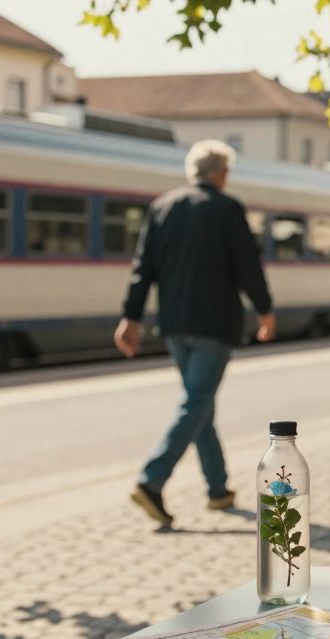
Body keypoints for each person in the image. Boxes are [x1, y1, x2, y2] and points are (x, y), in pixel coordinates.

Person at [115, 139, 275, 528]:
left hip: (173, 324)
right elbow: (247, 267)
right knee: (196, 402)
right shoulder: (227, 209)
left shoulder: (162, 207)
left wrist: (130, 318)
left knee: (200, 404)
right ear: (221, 174)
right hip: (215, 324)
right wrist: (265, 310)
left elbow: (142, 268)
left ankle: (218, 490)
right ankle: (151, 481)